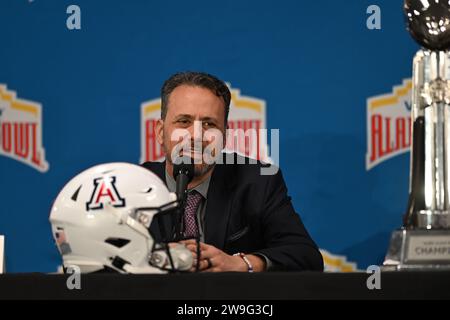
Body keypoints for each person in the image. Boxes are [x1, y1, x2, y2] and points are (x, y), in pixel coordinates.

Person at [142, 71, 323, 272]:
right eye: (184, 121)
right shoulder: (130, 185)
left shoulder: (258, 181)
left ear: (225, 137)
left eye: (209, 124)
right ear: (160, 132)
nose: (197, 136)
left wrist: (241, 263)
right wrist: (151, 256)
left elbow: (305, 255)